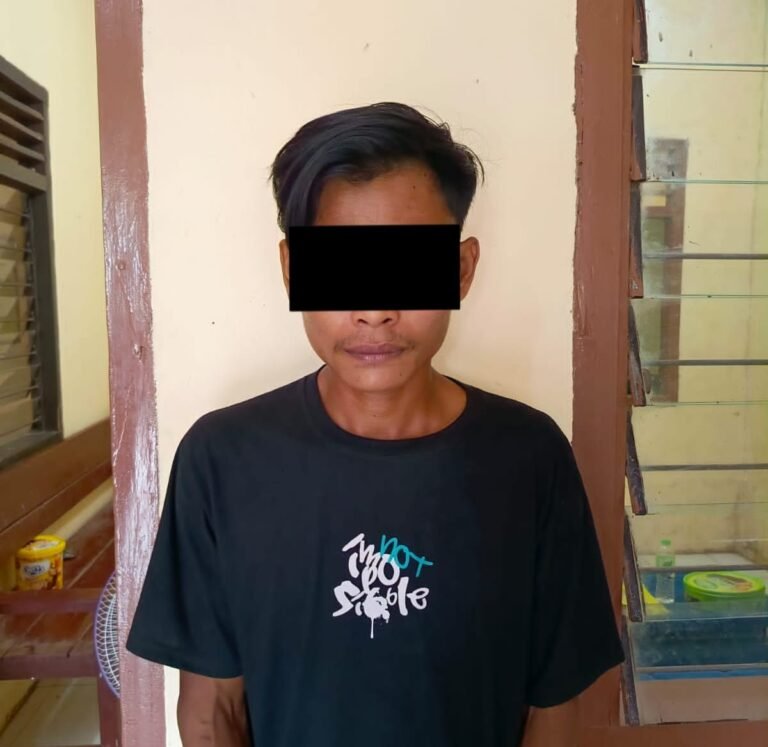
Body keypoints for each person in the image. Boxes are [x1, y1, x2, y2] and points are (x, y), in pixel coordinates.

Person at [126, 101, 624, 747]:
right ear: (292, 271)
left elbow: (553, 707)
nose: (374, 311)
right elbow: (210, 712)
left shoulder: (529, 456)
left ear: (461, 269)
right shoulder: (222, 459)